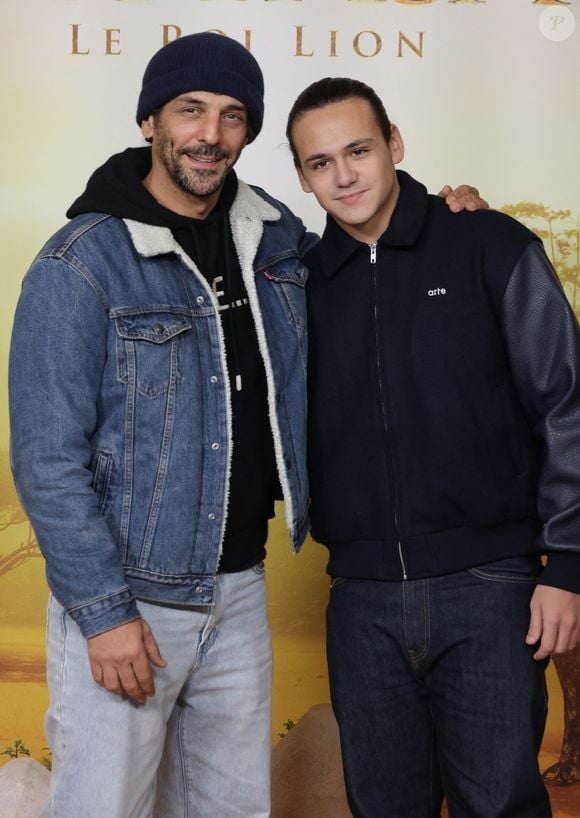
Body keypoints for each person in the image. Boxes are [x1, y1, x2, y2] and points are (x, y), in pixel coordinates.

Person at [8, 33, 484, 817]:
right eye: (191, 110)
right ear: (149, 120)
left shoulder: (274, 240)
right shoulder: (80, 263)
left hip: (238, 592)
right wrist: (103, 613)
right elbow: (46, 458)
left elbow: (364, 238)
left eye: (234, 116)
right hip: (132, 600)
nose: (212, 134)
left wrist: (442, 210)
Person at [286, 77, 580, 818]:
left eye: (358, 150)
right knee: (385, 807)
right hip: (360, 601)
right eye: (320, 163)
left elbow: (566, 404)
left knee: (500, 804)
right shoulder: (302, 288)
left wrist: (570, 564)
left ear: (395, 145)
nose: (343, 175)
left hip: (490, 590)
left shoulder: (490, 243)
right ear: (301, 177)